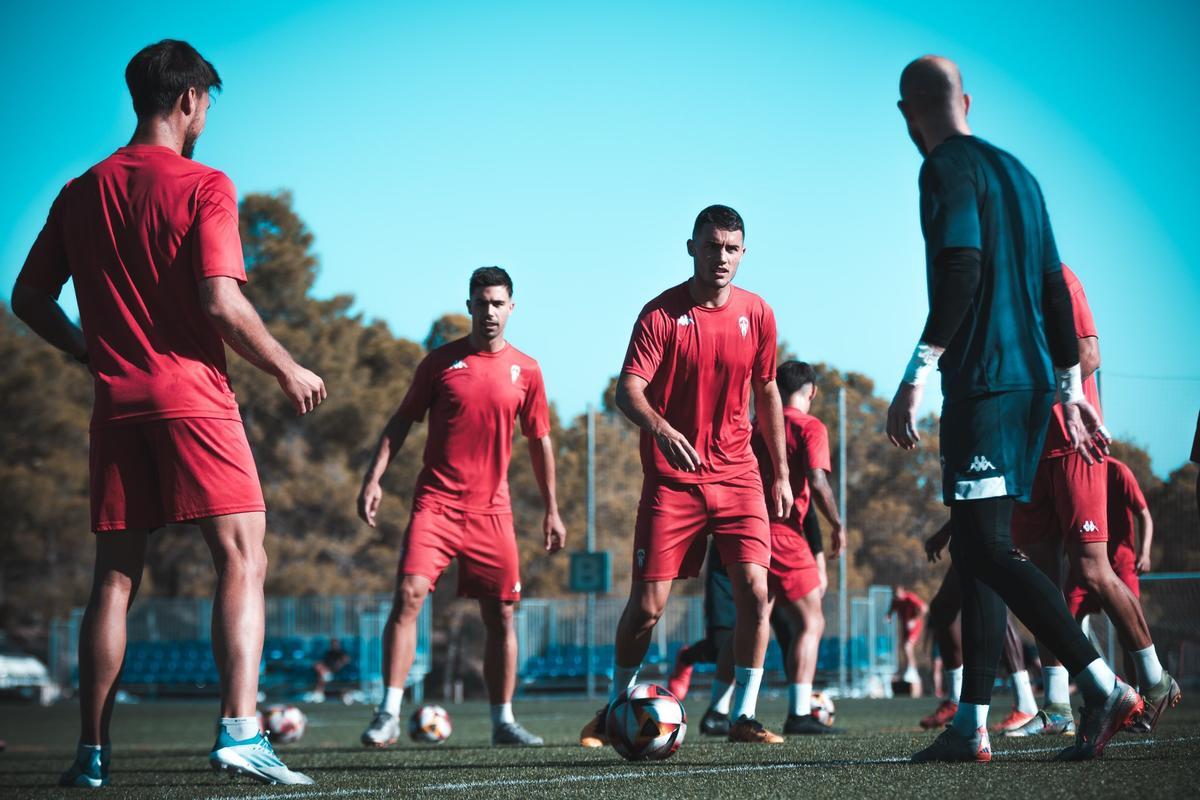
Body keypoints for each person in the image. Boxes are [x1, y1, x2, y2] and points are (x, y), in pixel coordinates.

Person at [12, 40, 324, 787]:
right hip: (192, 398)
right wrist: (287, 365)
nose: (206, 115)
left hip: (116, 405)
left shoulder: (79, 191)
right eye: (207, 102)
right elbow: (221, 299)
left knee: (113, 581)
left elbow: (28, 299)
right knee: (243, 558)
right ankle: (241, 732)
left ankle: (90, 753)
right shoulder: (204, 184)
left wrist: (89, 350)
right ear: (189, 99)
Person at [888, 55, 1140, 763]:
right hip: (1030, 387)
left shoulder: (942, 170)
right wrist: (1069, 389)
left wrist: (918, 369)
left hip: (986, 384)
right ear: (965, 99)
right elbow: (1055, 289)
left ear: (908, 112)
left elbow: (962, 268)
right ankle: (971, 726)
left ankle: (1101, 684)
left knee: (990, 549)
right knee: (975, 550)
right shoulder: (1021, 175)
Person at [579, 205, 791, 747]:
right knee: (648, 609)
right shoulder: (659, 315)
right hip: (674, 481)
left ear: (742, 254)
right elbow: (627, 390)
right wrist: (660, 427)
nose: (720, 256)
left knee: (755, 591)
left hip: (740, 474)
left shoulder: (759, 314)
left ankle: (740, 715)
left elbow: (766, 390)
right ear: (691, 247)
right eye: (711, 245)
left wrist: (781, 474)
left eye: (731, 248)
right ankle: (611, 710)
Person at [357, 267, 565, 748]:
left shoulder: (527, 370)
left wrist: (552, 509)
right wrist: (374, 478)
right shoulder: (439, 364)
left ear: (512, 307)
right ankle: (387, 713)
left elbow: (540, 443)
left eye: (498, 303)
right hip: (436, 505)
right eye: (482, 302)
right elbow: (400, 423)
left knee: (502, 616)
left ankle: (503, 721)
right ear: (469, 306)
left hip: (493, 512)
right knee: (409, 595)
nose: (490, 311)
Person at [1008, 266, 1177, 737]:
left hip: (1073, 442)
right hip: (1027, 451)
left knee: (1090, 570)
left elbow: (1088, 354)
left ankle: (1155, 679)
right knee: (1037, 580)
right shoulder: (994, 285)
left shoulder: (1053, 276)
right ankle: (1057, 704)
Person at [700, 361, 845, 736]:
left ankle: (716, 710)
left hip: (745, 528)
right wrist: (838, 524)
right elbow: (816, 480)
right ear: (810, 391)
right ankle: (799, 712)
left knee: (751, 620)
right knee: (810, 622)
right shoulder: (809, 426)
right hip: (783, 532)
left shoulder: (751, 426)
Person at [666, 505, 823, 709]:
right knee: (720, 645)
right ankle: (691, 662)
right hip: (732, 551)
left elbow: (807, 507)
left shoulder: (790, 476)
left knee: (792, 633)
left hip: (776, 551)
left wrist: (818, 557)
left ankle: (799, 709)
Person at [921, 524, 1042, 734]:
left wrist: (946, 532)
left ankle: (1026, 704)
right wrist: (950, 530)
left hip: (992, 530)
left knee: (992, 602)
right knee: (943, 607)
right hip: (971, 530)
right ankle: (956, 698)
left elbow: (985, 497)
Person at [1064, 457, 1154, 726]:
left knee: (1129, 635)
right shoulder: (1071, 471)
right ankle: (1070, 701)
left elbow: (1144, 515)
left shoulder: (1118, 470)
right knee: (1061, 622)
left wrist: (1146, 552)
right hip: (1084, 563)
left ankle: (1141, 698)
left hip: (1120, 564)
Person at [887, 585, 928, 697]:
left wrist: (915, 620)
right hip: (905, 627)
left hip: (915, 626)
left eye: (898, 595)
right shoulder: (895, 601)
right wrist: (889, 616)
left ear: (902, 591)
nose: (897, 598)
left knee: (907, 646)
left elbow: (924, 608)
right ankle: (909, 668)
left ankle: (912, 671)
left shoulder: (910, 597)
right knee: (903, 648)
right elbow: (891, 610)